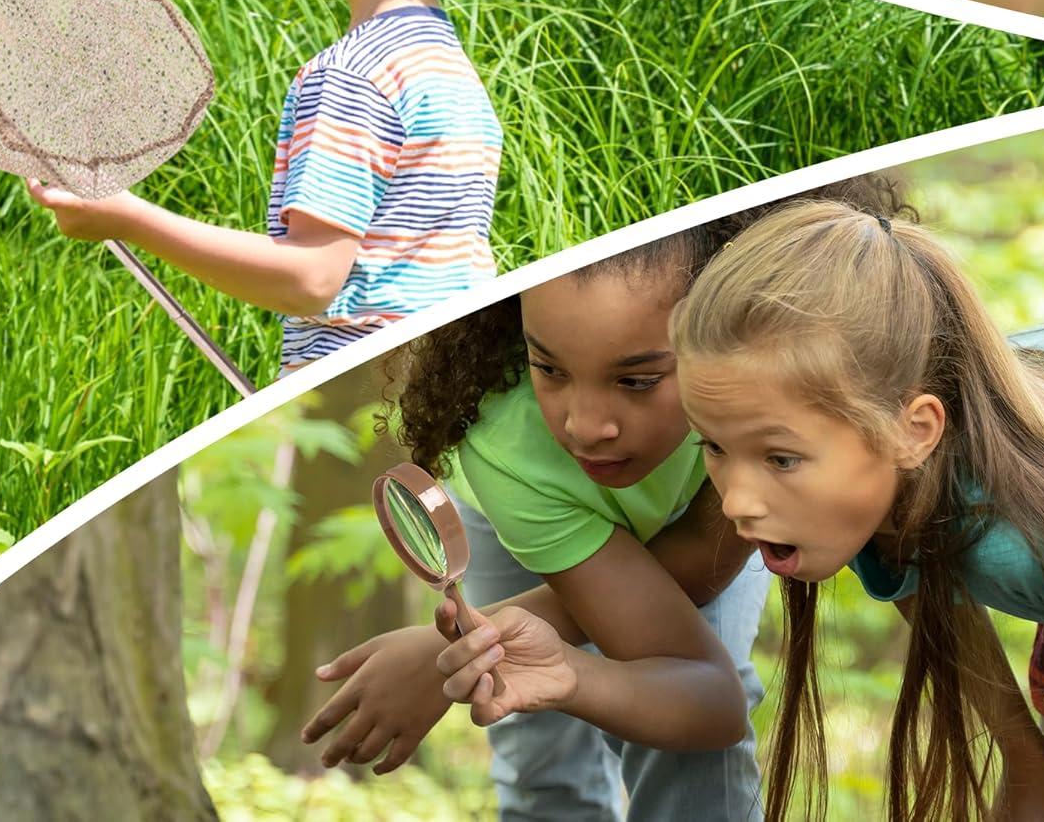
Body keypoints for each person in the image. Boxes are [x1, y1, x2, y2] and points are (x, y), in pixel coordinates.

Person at [305, 179, 907, 822]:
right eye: (550, 368)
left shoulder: (754, 401)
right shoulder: (503, 439)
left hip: (694, 517)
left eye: (639, 380)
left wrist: (443, 654)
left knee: (688, 738)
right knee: (535, 741)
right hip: (528, 513)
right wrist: (498, 649)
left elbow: (696, 601)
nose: (587, 427)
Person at [655, 200, 1044, 822]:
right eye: (713, 446)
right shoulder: (866, 481)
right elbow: (938, 597)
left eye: (781, 459)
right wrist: (1028, 764)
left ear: (915, 430)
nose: (736, 502)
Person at [26, 0, 519, 373]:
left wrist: (129, 218)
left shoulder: (353, 75)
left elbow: (311, 278)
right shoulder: (449, 69)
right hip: (446, 402)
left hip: (358, 417)